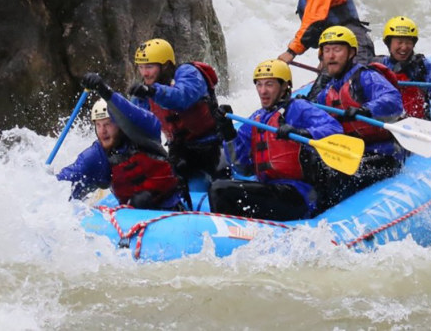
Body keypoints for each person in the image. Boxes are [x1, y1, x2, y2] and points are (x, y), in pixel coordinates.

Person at [208, 59, 344, 221]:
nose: (263, 91)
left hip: (299, 194)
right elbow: (240, 166)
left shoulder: (299, 108)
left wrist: (302, 132)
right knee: (220, 188)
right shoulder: (257, 118)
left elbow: (335, 130)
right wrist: (228, 132)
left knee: (220, 190)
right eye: (259, 84)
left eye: (269, 84)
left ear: (285, 86)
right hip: (271, 189)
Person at [56, 75, 187, 210]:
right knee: (141, 199)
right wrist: (48, 182)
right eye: (98, 125)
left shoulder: (144, 134)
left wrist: (105, 91)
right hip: (133, 215)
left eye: (107, 124)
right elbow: (65, 183)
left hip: (171, 202)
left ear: (120, 124)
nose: (102, 131)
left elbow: (135, 113)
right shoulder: (97, 156)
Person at [307, 26, 405, 202]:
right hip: (350, 153)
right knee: (315, 170)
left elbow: (393, 100)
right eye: (327, 50)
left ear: (351, 53)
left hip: (384, 153)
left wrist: (366, 109)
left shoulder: (366, 77)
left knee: (334, 178)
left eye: (337, 50)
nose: (331, 56)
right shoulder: (328, 90)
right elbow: (316, 119)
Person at [126, 38, 227, 182]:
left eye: (149, 67)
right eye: (140, 67)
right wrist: (107, 94)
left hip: (212, 144)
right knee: (168, 181)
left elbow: (182, 97)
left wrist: (152, 91)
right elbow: (134, 122)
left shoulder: (189, 73)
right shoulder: (145, 94)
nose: (144, 73)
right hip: (179, 150)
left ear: (166, 66)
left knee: (223, 175)